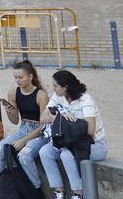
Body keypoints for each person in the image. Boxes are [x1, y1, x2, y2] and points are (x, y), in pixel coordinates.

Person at [38, 70, 106, 199]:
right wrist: (61, 116)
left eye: (56, 86)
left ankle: (78, 193)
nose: (53, 89)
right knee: (44, 152)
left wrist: (64, 121)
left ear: (66, 87)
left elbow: (90, 130)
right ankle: (59, 192)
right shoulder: (58, 96)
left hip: (93, 144)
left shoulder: (85, 100)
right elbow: (43, 118)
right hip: (68, 141)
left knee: (66, 154)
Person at [0, 60, 47, 187]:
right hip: (23, 129)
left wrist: (24, 140)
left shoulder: (41, 95)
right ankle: (1, 188)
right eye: (15, 77)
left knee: (24, 156)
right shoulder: (13, 92)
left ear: (30, 76)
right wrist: (9, 111)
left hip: (39, 133)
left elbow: (44, 126)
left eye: (20, 77)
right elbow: (15, 121)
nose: (18, 80)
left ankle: (35, 190)